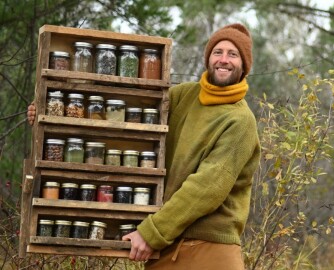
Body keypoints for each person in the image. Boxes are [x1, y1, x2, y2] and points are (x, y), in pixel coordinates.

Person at [27, 23, 261, 269]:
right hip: (170, 242)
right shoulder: (185, 96)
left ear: (244, 65)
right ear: (208, 58)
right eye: (218, 52)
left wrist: (152, 232)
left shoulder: (240, 122)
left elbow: (206, 188)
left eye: (232, 54)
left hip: (209, 250)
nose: (223, 60)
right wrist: (48, 109)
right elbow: (125, 107)